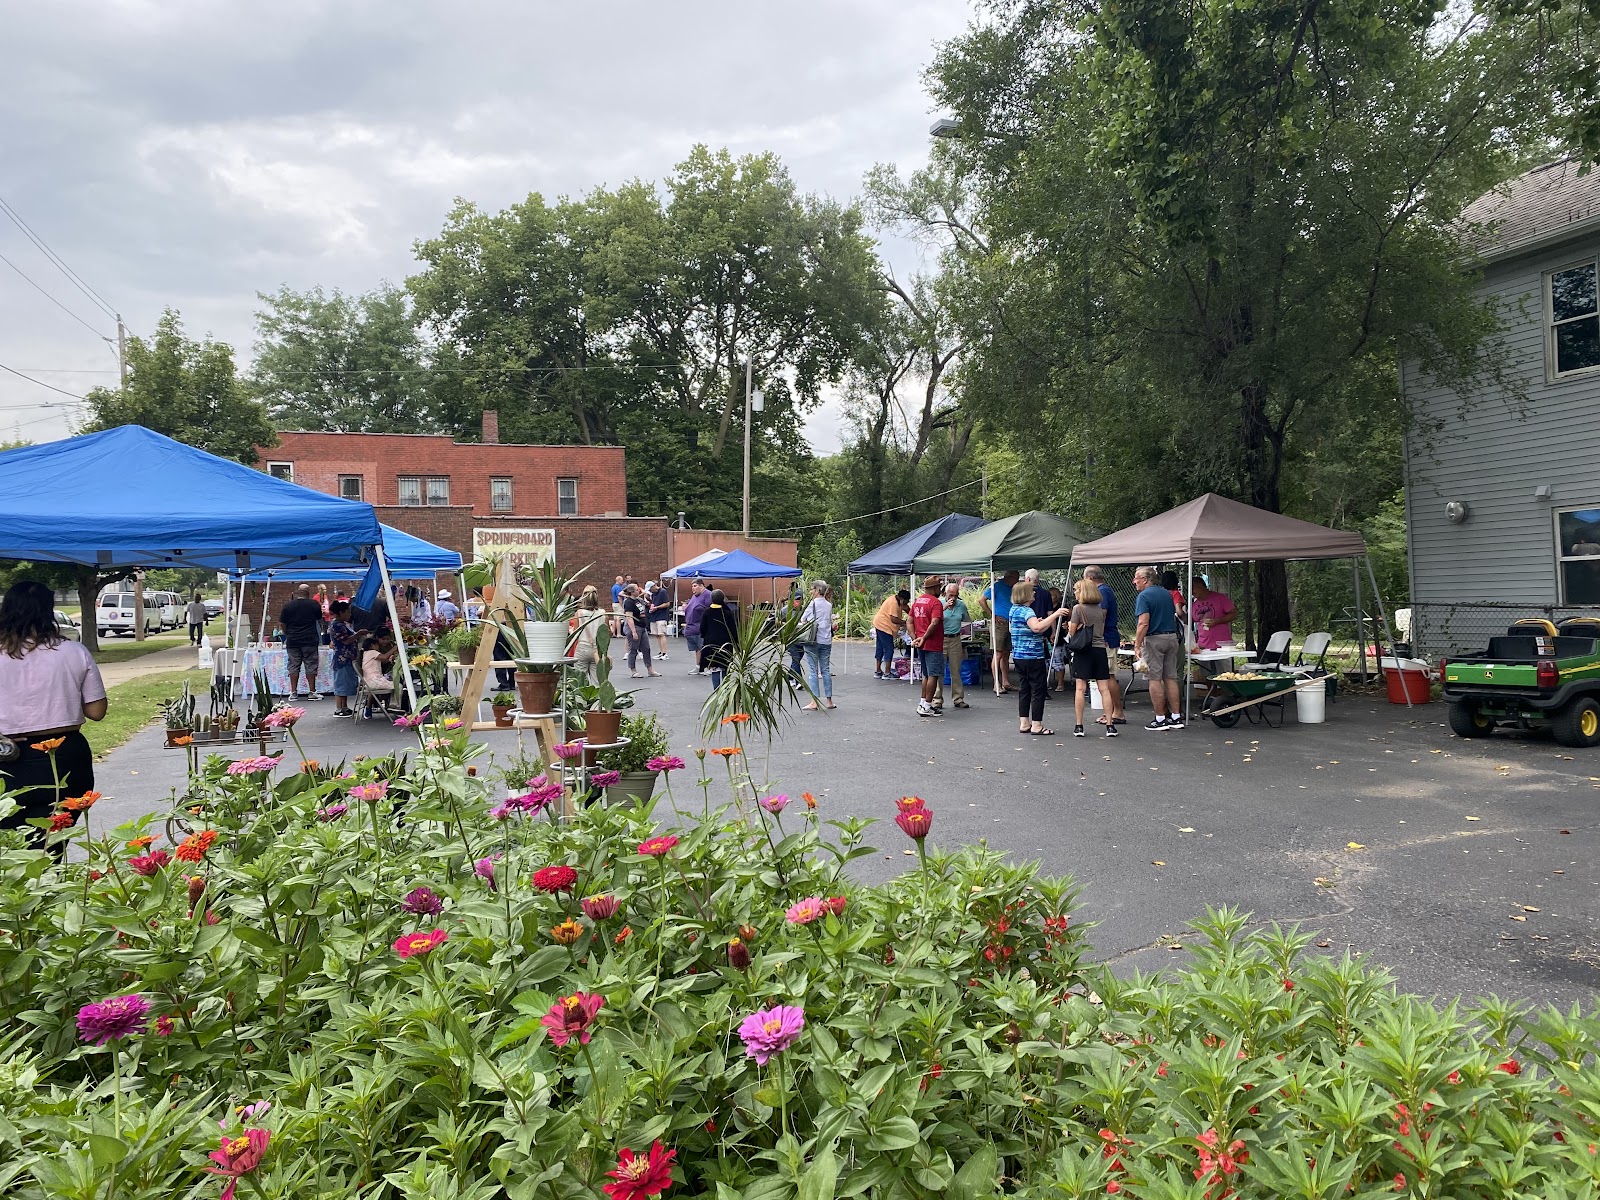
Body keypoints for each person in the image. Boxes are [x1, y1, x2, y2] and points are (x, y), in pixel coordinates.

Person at [0, 581, 108, 844]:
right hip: (64, 754)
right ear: (49, 611)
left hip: (8, 755)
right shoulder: (74, 651)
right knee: (53, 842)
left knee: (11, 847)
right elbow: (96, 710)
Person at [1009, 580, 1068, 735]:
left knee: (1025, 688)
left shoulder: (1014, 610)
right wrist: (1055, 614)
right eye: (1032, 591)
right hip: (1033, 655)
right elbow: (1036, 628)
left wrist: (1041, 622)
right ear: (1025, 594)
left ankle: (1024, 723)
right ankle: (1037, 725)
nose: (1035, 593)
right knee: (1038, 689)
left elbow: (1027, 626)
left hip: (1018, 655)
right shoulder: (1028, 611)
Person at [1066, 577, 1117, 738]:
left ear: (1082, 592)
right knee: (1104, 688)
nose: (1074, 592)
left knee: (1080, 688)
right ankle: (1110, 725)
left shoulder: (1078, 609)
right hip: (1100, 649)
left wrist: (1071, 626)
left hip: (1084, 651)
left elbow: (1072, 633)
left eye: (1076, 589)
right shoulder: (1100, 610)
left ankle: (1079, 725)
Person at [1133, 566, 1183, 730]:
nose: (1134, 582)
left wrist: (1137, 644)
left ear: (1145, 580)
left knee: (1154, 678)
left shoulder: (1144, 596)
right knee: (1170, 677)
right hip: (1171, 637)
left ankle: (1160, 719)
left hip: (1154, 638)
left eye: (1136, 578)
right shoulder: (1166, 594)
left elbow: (1143, 622)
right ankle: (1176, 717)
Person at [1084, 566, 1126, 726]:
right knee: (1105, 676)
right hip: (1105, 636)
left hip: (1105, 638)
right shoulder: (1105, 590)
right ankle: (1111, 710)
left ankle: (1117, 712)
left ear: (1090, 578)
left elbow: (1101, 614)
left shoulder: (1102, 592)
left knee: (1108, 676)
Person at [909, 576, 947, 717]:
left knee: (926, 675)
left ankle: (923, 703)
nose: (940, 589)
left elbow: (909, 621)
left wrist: (915, 638)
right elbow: (935, 622)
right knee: (933, 675)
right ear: (934, 588)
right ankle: (927, 706)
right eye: (938, 587)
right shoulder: (935, 603)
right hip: (932, 643)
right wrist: (924, 637)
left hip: (920, 643)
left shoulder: (918, 601)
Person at [280, 584, 325, 700]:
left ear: (297, 592)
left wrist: (288, 634)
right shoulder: (314, 604)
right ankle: (312, 692)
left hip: (293, 640)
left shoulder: (288, 605)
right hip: (309, 640)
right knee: (311, 665)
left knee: (293, 666)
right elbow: (319, 618)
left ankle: (293, 692)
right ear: (308, 593)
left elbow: (282, 623)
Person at [980, 569, 1020, 695]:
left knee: (1006, 653)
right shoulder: (997, 586)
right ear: (1010, 577)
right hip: (999, 624)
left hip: (1010, 623)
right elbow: (981, 600)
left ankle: (1006, 682)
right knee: (998, 653)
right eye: (1016, 578)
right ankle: (996, 684)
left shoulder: (1013, 588)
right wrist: (992, 615)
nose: (1017, 581)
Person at [799, 580, 836, 711]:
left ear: (816, 590)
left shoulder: (812, 604)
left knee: (813, 671)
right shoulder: (828, 605)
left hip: (813, 640)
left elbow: (803, 619)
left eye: (811, 589)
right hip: (826, 640)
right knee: (825, 670)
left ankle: (814, 701)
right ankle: (829, 701)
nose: (810, 591)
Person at [699, 589, 739, 689]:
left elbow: (702, 628)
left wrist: (705, 636)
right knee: (725, 666)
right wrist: (736, 643)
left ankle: (716, 691)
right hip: (725, 644)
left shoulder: (706, 612)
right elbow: (733, 630)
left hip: (711, 644)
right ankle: (725, 690)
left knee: (714, 667)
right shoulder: (727, 613)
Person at [941, 581, 971, 709]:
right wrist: (945, 607)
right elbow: (933, 620)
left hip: (955, 639)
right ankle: (937, 699)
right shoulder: (939, 604)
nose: (953, 598)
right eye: (950, 595)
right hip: (941, 639)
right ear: (945, 594)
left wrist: (966, 637)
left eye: (955, 595)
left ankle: (958, 698)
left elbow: (967, 621)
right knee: (939, 671)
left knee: (956, 670)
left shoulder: (961, 605)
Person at [327, 599, 360, 717]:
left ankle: (345, 706)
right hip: (342, 658)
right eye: (347, 612)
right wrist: (358, 634)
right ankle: (339, 708)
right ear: (341, 612)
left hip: (347, 657)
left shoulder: (343, 624)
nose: (349, 615)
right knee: (340, 683)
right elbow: (345, 641)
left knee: (345, 683)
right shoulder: (336, 625)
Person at [570, 587, 610, 682]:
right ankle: (597, 696)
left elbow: (576, 633)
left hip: (583, 647)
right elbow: (607, 634)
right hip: (598, 649)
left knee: (580, 680)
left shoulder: (579, 613)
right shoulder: (603, 613)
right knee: (598, 680)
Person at [1189, 577, 1238, 651]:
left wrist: (1217, 621)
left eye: (1193, 588)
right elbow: (1190, 620)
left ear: (1201, 586)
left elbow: (1234, 614)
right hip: (1203, 645)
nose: (1191, 591)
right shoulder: (1194, 605)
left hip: (1222, 646)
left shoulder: (1220, 598)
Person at [621, 585, 659, 678]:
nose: (639, 591)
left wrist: (644, 592)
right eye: (637, 590)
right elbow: (629, 617)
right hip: (634, 627)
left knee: (646, 649)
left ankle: (650, 670)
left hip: (642, 627)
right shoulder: (629, 602)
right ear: (632, 592)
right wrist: (633, 632)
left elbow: (648, 603)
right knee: (633, 649)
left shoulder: (638, 600)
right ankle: (633, 670)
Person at [871, 589, 909, 679]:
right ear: (902, 599)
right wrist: (905, 622)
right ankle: (887, 673)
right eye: (906, 601)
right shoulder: (894, 603)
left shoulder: (897, 600)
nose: (906, 604)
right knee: (889, 649)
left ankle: (878, 671)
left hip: (879, 624)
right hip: (884, 626)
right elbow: (894, 619)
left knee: (880, 647)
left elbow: (907, 609)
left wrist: (913, 617)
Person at [359, 631, 398, 716]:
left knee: (393, 683)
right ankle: (394, 705)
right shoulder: (372, 652)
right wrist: (393, 649)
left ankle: (391, 704)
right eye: (377, 645)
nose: (378, 647)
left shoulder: (367, 654)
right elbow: (384, 657)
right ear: (372, 646)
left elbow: (384, 660)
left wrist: (390, 658)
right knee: (398, 686)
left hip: (370, 681)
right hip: (374, 680)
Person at [682, 580, 711, 675]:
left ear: (702, 586)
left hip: (701, 626)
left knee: (703, 647)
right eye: (692, 586)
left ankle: (707, 667)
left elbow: (710, 610)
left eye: (695, 586)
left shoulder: (707, 595)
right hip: (692, 627)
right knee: (697, 649)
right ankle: (698, 666)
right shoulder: (694, 596)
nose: (693, 588)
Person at [648, 580, 672, 658]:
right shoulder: (653, 594)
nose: (649, 591)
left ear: (653, 587)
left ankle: (665, 653)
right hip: (654, 616)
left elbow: (667, 603)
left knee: (661, 634)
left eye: (650, 589)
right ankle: (661, 652)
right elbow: (653, 603)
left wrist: (657, 607)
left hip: (662, 616)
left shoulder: (662, 592)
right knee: (657, 635)